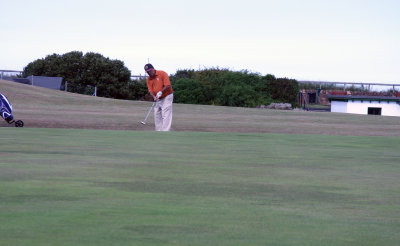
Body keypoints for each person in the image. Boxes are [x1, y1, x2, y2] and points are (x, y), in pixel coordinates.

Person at [144, 63, 174, 131]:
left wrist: (160, 92)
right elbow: (150, 90)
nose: (149, 73)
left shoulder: (162, 73)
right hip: (158, 98)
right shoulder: (148, 79)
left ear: (153, 69)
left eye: (150, 71)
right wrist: (154, 96)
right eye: (147, 72)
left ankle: (165, 132)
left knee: (165, 114)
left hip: (167, 96)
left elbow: (168, 85)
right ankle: (158, 132)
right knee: (157, 114)